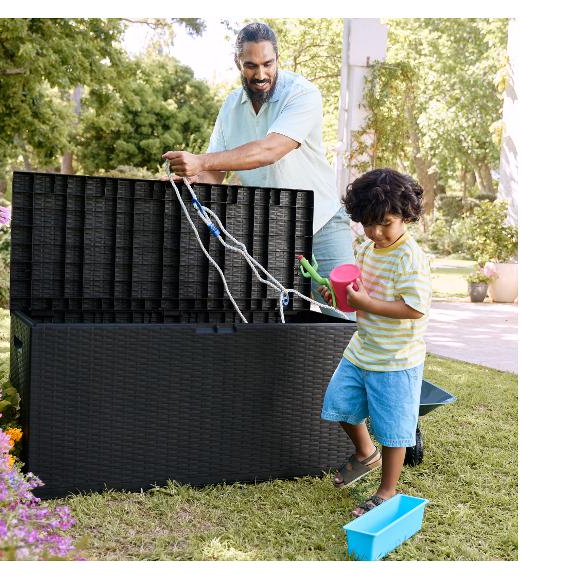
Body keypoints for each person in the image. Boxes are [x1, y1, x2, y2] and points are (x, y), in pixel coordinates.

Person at [162, 22, 354, 316]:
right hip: (270, 230)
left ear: (278, 58)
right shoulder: (230, 107)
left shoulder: (301, 94)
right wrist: (190, 180)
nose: (261, 74)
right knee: (274, 319)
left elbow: (270, 150)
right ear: (238, 63)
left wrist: (201, 161)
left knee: (342, 314)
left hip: (322, 222)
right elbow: (214, 173)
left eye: (268, 64)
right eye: (251, 65)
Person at [316, 168, 431, 517]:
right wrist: (339, 297)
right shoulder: (367, 248)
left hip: (396, 358)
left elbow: (414, 308)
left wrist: (366, 303)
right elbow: (360, 296)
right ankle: (366, 453)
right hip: (363, 348)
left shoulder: (409, 257)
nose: (376, 232)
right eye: (368, 224)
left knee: (393, 431)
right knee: (338, 403)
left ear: (406, 216)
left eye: (386, 224)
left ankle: (386, 491)